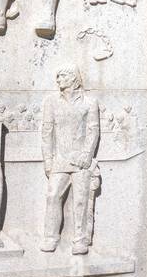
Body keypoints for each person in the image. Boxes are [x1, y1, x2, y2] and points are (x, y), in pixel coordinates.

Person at [39, 65, 101, 255]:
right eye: (57, 77)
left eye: (62, 76)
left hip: (81, 160)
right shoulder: (51, 102)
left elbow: (93, 130)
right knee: (52, 196)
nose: (58, 80)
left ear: (74, 78)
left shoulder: (90, 102)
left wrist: (87, 155)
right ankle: (51, 237)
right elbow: (47, 132)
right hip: (60, 160)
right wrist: (47, 160)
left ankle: (80, 240)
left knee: (81, 201)